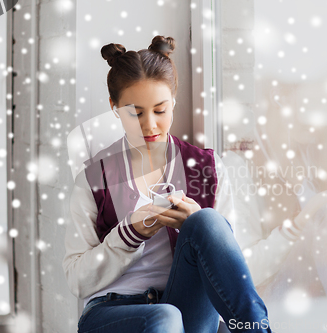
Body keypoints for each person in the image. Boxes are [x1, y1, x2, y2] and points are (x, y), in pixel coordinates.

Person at [62, 35, 272, 333]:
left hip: (186, 307)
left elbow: (229, 268)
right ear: (114, 106)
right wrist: (128, 233)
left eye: (160, 110)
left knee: (207, 221)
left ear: (173, 102)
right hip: (111, 313)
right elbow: (76, 279)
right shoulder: (94, 178)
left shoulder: (207, 168)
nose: (150, 125)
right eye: (135, 113)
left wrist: (194, 224)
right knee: (164, 317)